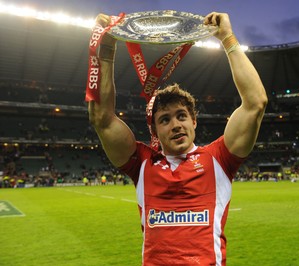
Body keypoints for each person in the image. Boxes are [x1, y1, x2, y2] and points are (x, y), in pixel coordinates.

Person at [88, 11, 267, 265]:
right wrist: (105, 50)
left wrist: (227, 37)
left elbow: (255, 104)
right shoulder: (141, 164)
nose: (175, 125)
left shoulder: (219, 159)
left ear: (193, 121)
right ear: (155, 130)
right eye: (165, 119)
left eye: (181, 116)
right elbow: (102, 119)